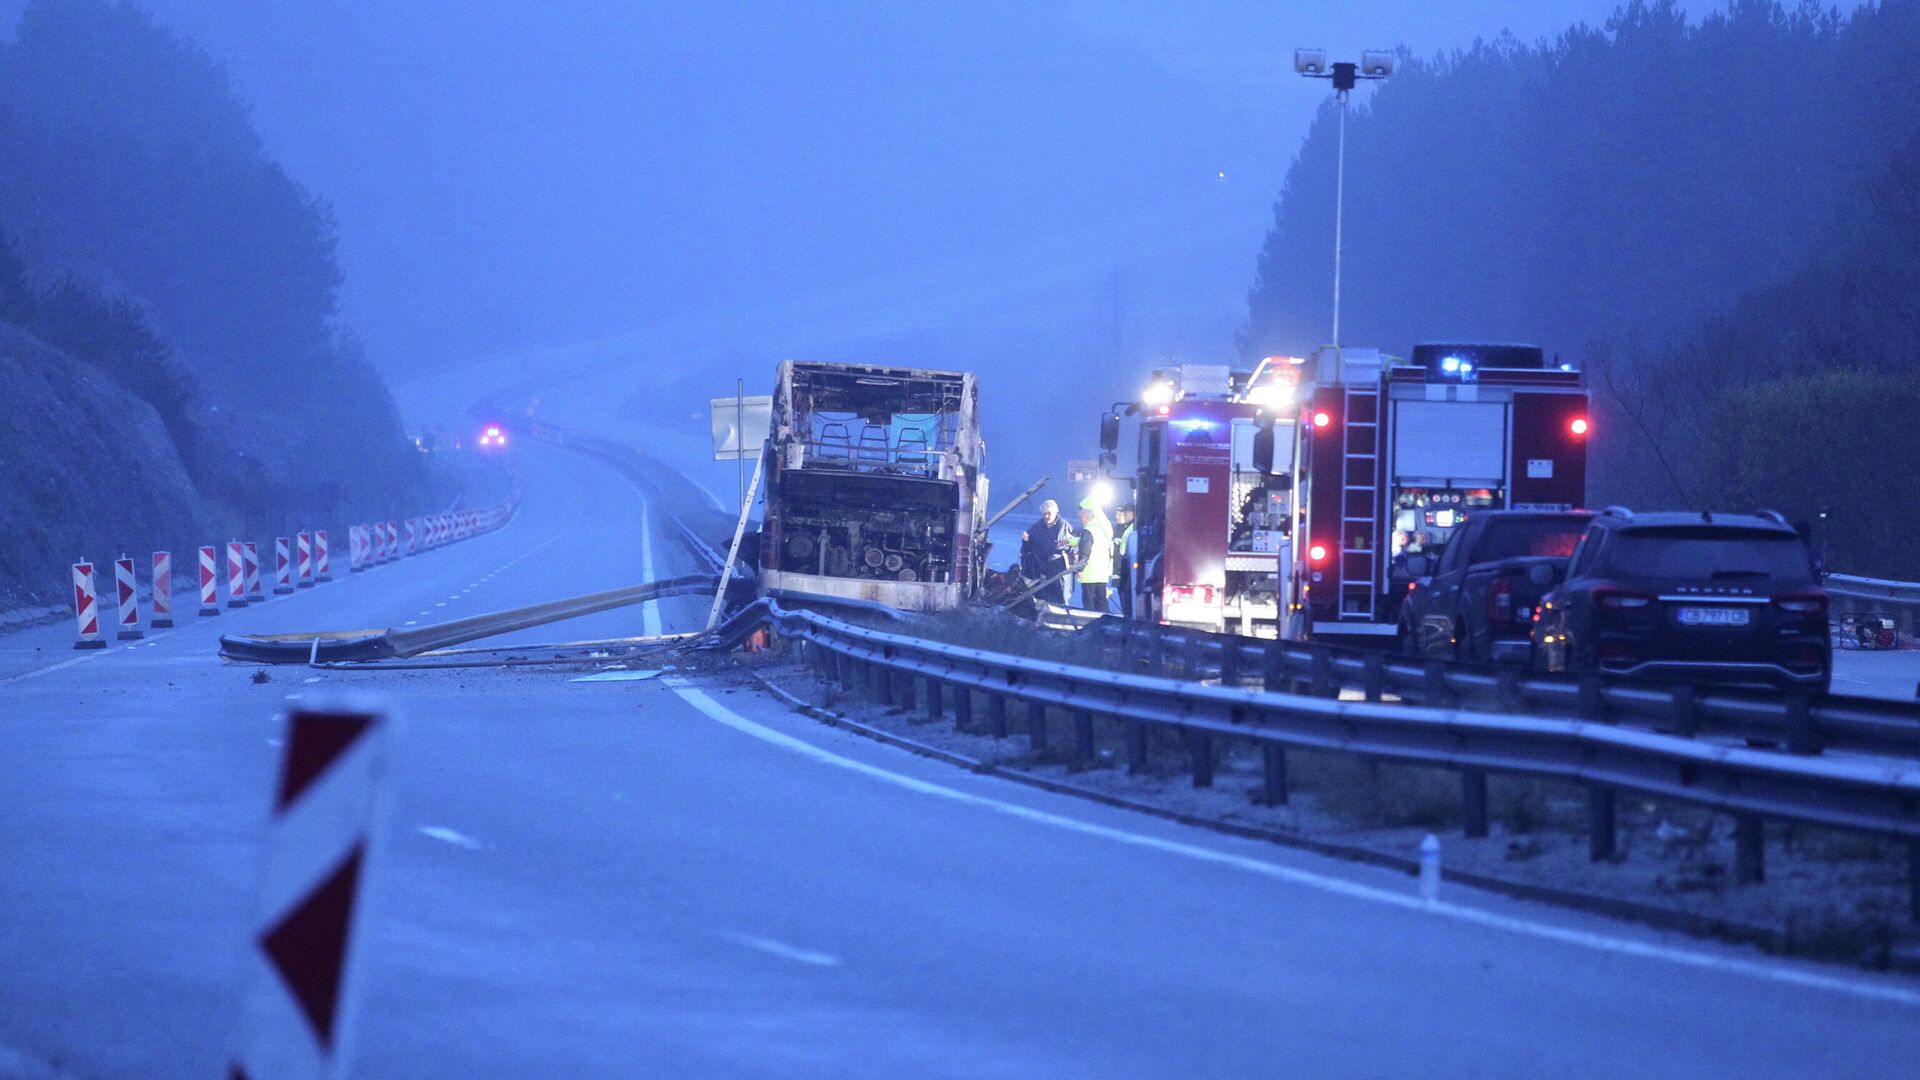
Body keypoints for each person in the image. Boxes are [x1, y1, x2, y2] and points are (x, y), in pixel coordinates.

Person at [1020, 499, 1076, 605]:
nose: (1046, 516)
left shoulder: (1064, 526)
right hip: (1041, 568)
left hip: (1059, 569)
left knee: (1060, 598)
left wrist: (1075, 567)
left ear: (1056, 512)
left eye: (1049, 513)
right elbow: (1027, 549)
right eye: (1044, 514)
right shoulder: (1037, 527)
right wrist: (1026, 541)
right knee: (1042, 597)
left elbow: (1073, 548)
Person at [1076, 503, 1113, 612]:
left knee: (1089, 603)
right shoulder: (1101, 530)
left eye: (1081, 518)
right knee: (1101, 602)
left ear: (1087, 518)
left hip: (1089, 574)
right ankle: (1105, 624)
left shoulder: (1088, 531)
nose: (1080, 520)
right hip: (1101, 574)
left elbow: (1085, 551)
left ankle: (1090, 625)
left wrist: (1080, 568)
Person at [1112, 504, 1137, 617]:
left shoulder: (1132, 528)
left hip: (1126, 566)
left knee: (1126, 597)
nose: (1124, 516)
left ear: (1132, 514)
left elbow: (1123, 551)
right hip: (1123, 567)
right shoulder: (1127, 527)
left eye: (1126, 513)